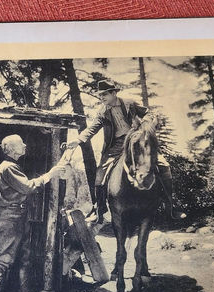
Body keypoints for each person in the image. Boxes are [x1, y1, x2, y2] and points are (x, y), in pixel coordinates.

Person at [67, 79, 185, 223]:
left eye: (104, 94)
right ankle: (99, 210)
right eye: (100, 95)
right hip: (115, 147)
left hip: (136, 142)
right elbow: (92, 129)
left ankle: (171, 208)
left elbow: (148, 113)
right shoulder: (102, 112)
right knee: (99, 175)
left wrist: (144, 127)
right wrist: (78, 140)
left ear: (114, 93)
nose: (102, 97)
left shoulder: (129, 103)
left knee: (164, 165)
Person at [0, 134, 66, 292]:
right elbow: (27, 187)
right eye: (21, 143)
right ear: (10, 148)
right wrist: (51, 174)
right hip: (11, 218)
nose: (25, 145)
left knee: (25, 257)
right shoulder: (8, 167)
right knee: (4, 260)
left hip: (19, 216)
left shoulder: (12, 166)